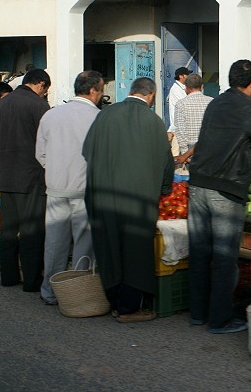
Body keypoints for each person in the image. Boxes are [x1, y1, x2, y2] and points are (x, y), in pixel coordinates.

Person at [187, 59, 251, 334]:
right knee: (224, 257)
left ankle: (198, 314)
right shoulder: (249, 109)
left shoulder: (215, 103)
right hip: (226, 189)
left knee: (200, 253)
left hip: (198, 185)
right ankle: (220, 320)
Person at [83, 77, 173, 323]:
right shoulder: (154, 122)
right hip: (137, 199)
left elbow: (87, 152)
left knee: (109, 245)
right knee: (135, 250)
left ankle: (114, 300)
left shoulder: (104, 115)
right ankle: (129, 307)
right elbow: (167, 163)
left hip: (103, 196)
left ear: (131, 91)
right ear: (151, 96)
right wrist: (164, 190)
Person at [35, 71, 105, 306]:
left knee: (54, 243)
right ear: (93, 91)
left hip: (55, 188)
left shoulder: (51, 115)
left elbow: (40, 153)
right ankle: (77, 295)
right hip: (84, 190)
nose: (102, 95)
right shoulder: (98, 118)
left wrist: (55, 171)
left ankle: (50, 290)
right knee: (84, 245)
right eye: (102, 90)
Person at [0, 68, 51, 292]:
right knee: (31, 230)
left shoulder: (2, 104)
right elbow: (47, 140)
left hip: (7, 174)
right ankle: (32, 280)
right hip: (32, 176)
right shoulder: (38, 105)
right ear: (41, 85)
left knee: (8, 229)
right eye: (45, 90)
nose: (45, 94)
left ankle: (8, 276)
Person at [173, 73, 212, 165]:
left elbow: (180, 130)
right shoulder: (212, 102)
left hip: (189, 151)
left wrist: (185, 154)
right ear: (202, 87)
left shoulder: (181, 104)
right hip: (209, 150)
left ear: (186, 87)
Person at [166, 66, 192, 140]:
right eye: (187, 75)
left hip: (183, 127)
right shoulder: (176, 89)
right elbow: (185, 105)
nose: (188, 77)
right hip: (178, 128)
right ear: (181, 76)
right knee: (176, 151)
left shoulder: (183, 88)